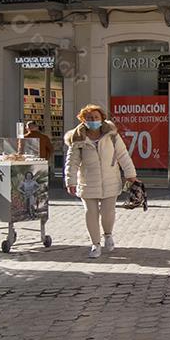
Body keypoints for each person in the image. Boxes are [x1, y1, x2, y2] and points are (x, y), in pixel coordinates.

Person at [64, 104, 138, 259]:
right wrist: (70, 181)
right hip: (87, 181)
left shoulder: (112, 135)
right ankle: (95, 245)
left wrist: (131, 174)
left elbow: (122, 154)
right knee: (90, 213)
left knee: (108, 212)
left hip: (110, 179)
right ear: (83, 119)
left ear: (102, 118)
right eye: (89, 118)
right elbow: (72, 162)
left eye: (96, 117)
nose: (93, 120)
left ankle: (108, 235)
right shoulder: (77, 138)